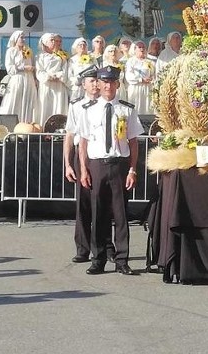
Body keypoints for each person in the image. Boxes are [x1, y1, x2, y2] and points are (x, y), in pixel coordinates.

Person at [78, 65, 144, 275]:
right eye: (104, 82)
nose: (107, 85)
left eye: (111, 81)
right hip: (97, 164)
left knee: (121, 214)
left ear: (117, 83)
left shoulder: (127, 109)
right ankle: (98, 259)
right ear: (98, 83)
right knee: (98, 213)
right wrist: (83, 169)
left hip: (119, 164)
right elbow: (83, 143)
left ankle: (122, 259)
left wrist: (132, 169)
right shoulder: (89, 109)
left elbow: (133, 142)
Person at [63, 66, 115, 264]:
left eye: (97, 80)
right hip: (82, 156)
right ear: (83, 84)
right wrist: (68, 164)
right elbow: (70, 136)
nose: (95, 84)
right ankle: (83, 248)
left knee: (104, 204)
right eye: (91, 81)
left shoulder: (107, 103)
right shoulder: (77, 105)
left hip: (101, 155)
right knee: (84, 204)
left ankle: (107, 247)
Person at [0, 30, 38, 123]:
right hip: (18, 79)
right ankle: (9, 123)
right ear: (16, 38)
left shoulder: (28, 50)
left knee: (28, 100)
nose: (23, 39)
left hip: (28, 79)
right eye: (21, 37)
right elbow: (10, 68)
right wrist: (23, 67)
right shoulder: (11, 51)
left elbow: (32, 63)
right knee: (15, 100)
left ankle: (26, 123)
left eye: (24, 37)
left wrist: (33, 73)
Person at [36, 33, 69, 125]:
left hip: (58, 85)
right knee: (46, 106)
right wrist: (48, 76)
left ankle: (58, 128)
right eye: (51, 40)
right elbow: (39, 71)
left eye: (54, 40)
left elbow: (65, 69)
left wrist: (59, 75)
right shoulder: (40, 56)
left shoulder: (60, 56)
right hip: (47, 85)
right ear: (45, 43)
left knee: (58, 105)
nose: (54, 42)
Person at [125, 40, 155, 114]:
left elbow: (154, 74)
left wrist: (151, 79)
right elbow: (128, 76)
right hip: (135, 89)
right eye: (139, 47)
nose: (142, 49)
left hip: (147, 88)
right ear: (134, 49)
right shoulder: (131, 61)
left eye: (143, 47)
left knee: (147, 108)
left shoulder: (150, 62)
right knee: (135, 109)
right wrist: (140, 79)